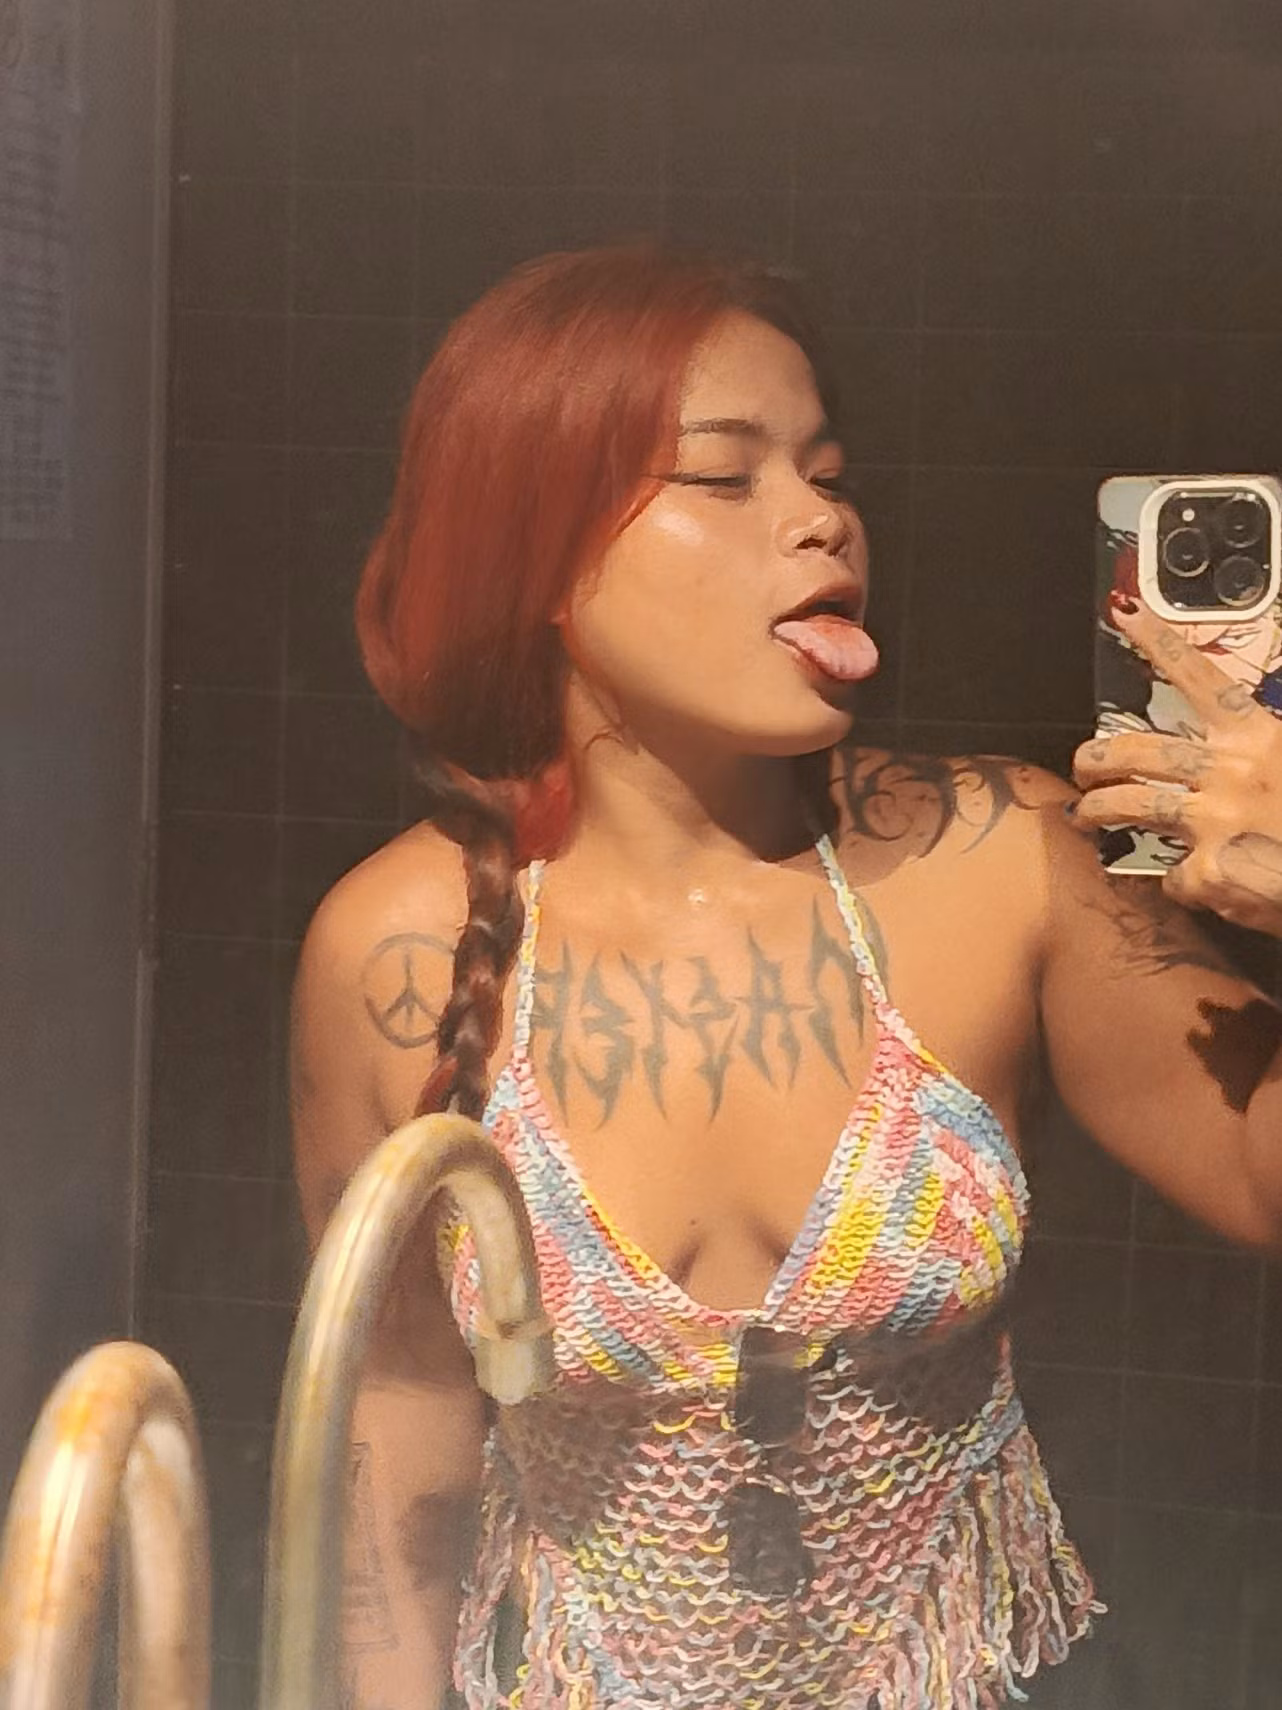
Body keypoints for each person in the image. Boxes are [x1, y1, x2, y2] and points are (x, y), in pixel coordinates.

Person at [289, 245, 1282, 1710]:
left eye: (828, 475)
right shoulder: (395, 946)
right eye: (723, 474)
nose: (822, 518)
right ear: (535, 550)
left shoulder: (998, 857)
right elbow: (401, 1410)